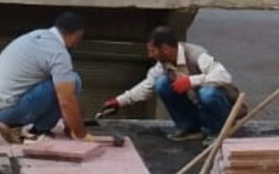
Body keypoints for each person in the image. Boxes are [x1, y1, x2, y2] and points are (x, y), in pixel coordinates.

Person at [100, 27, 238, 143]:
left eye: (152, 51)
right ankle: (190, 128)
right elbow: (148, 85)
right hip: (199, 108)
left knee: (207, 93)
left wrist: (191, 81)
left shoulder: (197, 54)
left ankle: (218, 131)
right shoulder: (163, 64)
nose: (150, 55)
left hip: (223, 109)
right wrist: (119, 101)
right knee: (161, 83)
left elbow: (224, 76)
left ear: (165, 49)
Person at [0, 11, 90, 145]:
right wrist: (81, 134)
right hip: (7, 111)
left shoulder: (37, 36)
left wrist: (71, 121)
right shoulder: (59, 53)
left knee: (59, 82)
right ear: (77, 35)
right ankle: (34, 129)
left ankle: (19, 125)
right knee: (73, 81)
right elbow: (66, 100)